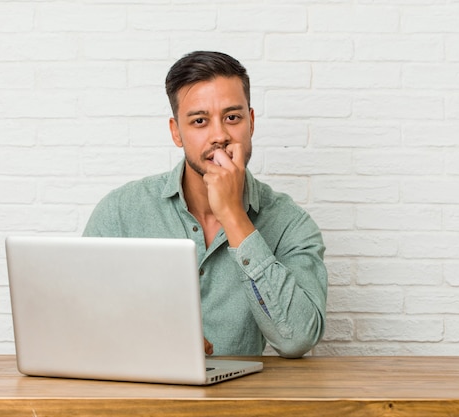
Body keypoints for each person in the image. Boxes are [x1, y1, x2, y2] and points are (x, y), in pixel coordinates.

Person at [83, 51, 327, 358]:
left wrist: (234, 216)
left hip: (240, 403)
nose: (219, 135)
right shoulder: (120, 212)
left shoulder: (291, 223)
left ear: (250, 123)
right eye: (200, 121)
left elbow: (298, 339)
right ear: (176, 132)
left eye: (232, 118)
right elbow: (82, 320)